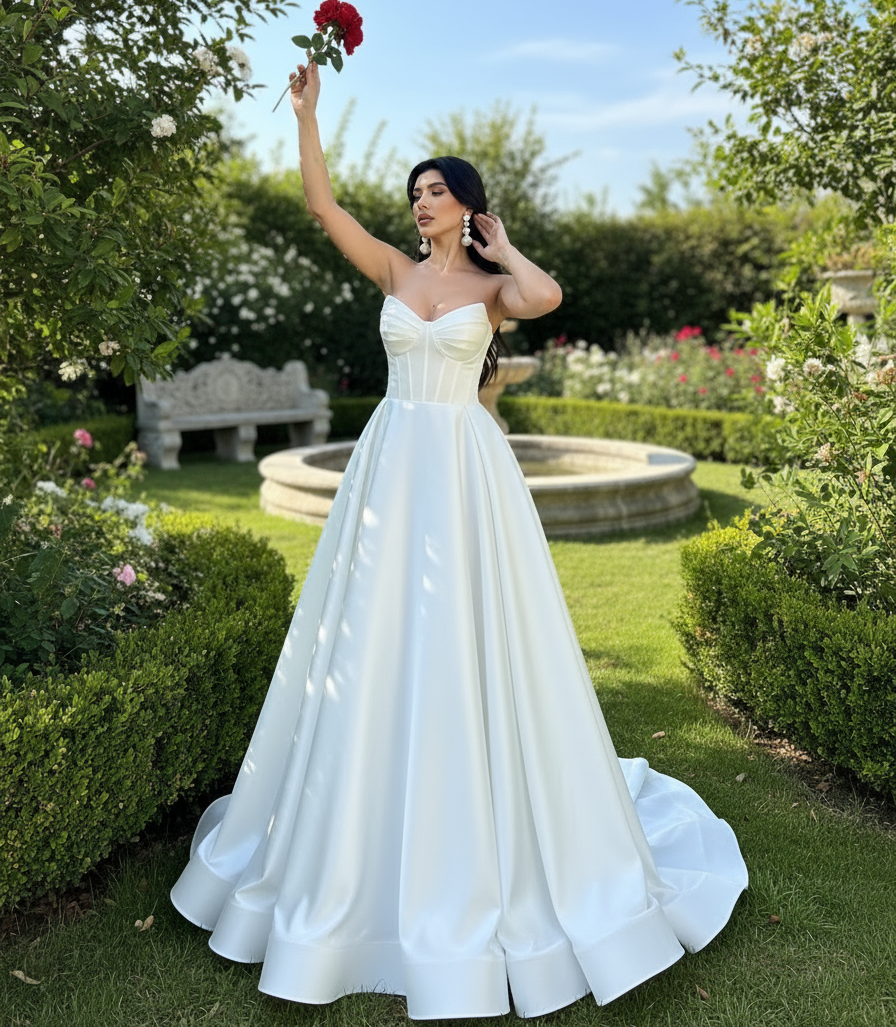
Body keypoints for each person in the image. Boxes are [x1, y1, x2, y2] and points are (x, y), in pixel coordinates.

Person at [171, 59, 748, 1021]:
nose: (420, 204)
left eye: (437, 192)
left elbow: (550, 296)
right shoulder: (397, 272)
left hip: (467, 471)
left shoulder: (493, 285)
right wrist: (311, 116)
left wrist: (503, 242)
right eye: (415, 194)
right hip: (392, 460)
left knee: (472, 635)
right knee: (370, 632)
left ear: (469, 207)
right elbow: (322, 206)